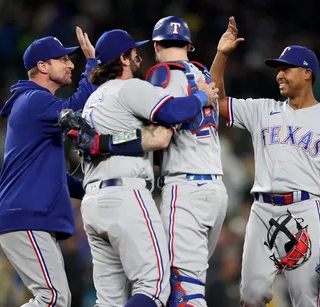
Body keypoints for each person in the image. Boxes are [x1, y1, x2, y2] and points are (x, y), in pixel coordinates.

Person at [210, 17, 320, 307]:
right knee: (251, 295)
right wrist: (222, 55)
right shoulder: (262, 109)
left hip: (306, 210)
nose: (279, 74)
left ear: (307, 73)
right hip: (262, 210)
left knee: (304, 299)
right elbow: (214, 102)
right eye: (278, 69)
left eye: (285, 68)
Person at [80, 29, 219, 307]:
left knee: (109, 301)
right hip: (125, 195)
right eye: (133, 52)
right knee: (154, 287)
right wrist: (201, 97)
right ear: (123, 58)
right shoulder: (130, 87)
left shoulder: (91, 101)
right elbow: (171, 112)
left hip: (92, 201)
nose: (138, 57)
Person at [0, 27, 97, 307]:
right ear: (42, 66)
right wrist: (93, 67)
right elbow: (78, 111)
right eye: (63, 59)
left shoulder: (35, 104)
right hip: (25, 214)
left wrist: (90, 188)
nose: (71, 64)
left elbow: (54, 176)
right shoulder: (34, 100)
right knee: (52, 298)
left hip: (25, 215)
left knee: (54, 298)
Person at [145, 16, 229, 307]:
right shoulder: (204, 75)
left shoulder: (162, 74)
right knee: (188, 283)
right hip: (215, 190)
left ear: (156, 45)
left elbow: (165, 118)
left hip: (185, 188)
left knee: (184, 290)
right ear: (188, 45)